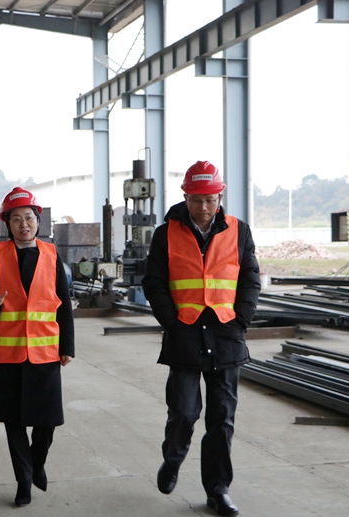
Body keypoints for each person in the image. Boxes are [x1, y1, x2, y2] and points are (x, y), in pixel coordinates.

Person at [142, 161, 260, 517]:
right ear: (186, 198)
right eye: (196, 199)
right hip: (185, 333)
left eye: (210, 199)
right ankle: (173, 458)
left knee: (221, 419)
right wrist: (171, 321)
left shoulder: (239, 231)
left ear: (220, 197)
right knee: (184, 411)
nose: (203, 207)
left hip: (226, 334)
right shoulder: (166, 233)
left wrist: (241, 320)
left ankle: (218, 489)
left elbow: (250, 278)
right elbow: (154, 282)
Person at [0, 187, 74, 507]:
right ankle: (24, 480)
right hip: (8, 353)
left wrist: (67, 345)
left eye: (28, 218)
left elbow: (63, 305)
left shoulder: (52, 255)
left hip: (44, 351)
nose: (23, 224)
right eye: (16, 219)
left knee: (47, 420)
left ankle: (37, 462)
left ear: (38, 220)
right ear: (8, 224)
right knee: (13, 421)